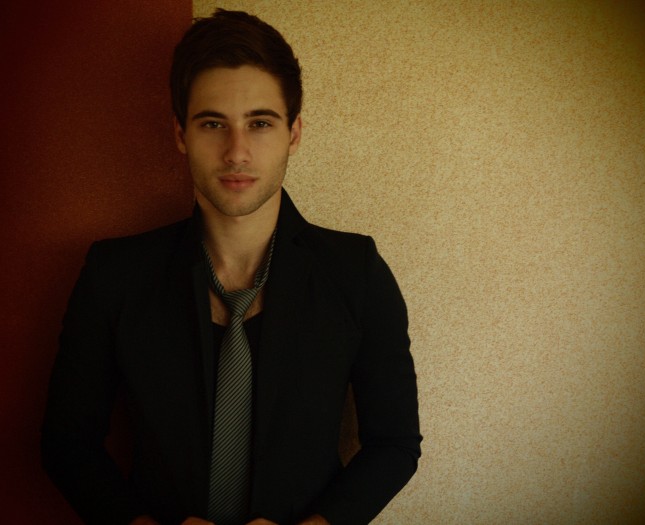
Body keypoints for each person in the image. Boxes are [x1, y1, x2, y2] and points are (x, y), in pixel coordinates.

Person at [41, 9, 421, 525]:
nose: (236, 152)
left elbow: (394, 444)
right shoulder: (115, 275)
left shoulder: (357, 274)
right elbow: (67, 444)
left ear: (294, 133)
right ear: (181, 133)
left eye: (260, 123)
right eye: (213, 123)